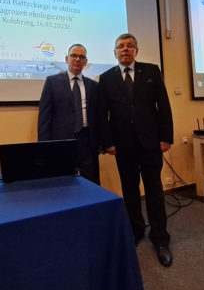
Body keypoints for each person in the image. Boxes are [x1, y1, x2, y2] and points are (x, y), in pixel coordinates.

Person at [98, 33, 174, 267]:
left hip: (150, 143)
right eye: (121, 46)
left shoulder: (151, 71)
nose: (125, 49)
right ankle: (135, 231)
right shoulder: (106, 78)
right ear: (115, 52)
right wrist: (108, 142)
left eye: (130, 46)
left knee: (154, 191)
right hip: (123, 146)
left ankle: (160, 239)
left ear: (136, 51)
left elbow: (164, 106)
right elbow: (102, 114)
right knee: (130, 192)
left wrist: (166, 137)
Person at [37, 44, 101, 185]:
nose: (77, 59)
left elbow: (98, 117)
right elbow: (44, 116)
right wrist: (44, 145)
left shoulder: (94, 86)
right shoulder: (52, 82)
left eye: (81, 57)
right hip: (61, 141)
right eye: (74, 56)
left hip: (87, 141)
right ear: (67, 59)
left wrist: (102, 142)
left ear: (85, 62)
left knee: (91, 184)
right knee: (63, 184)